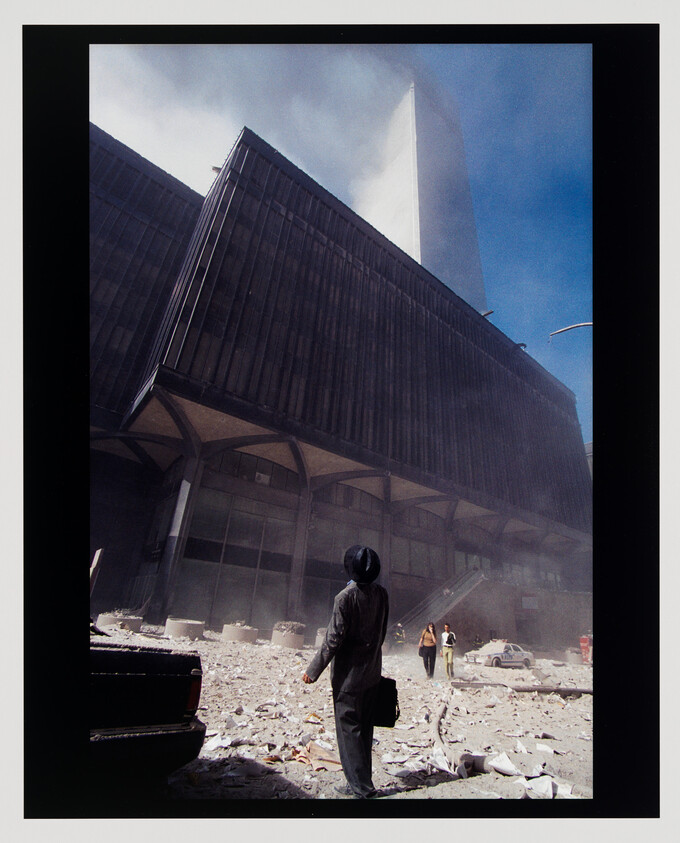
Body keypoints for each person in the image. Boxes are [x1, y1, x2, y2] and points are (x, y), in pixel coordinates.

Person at [302, 545, 389, 799]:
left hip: (348, 679)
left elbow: (333, 638)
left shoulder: (344, 598)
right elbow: (381, 632)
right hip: (372, 673)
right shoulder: (382, 594)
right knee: (364, 731)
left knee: (349, 731)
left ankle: (361, 788)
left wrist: (313, 670)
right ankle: (359, 782)